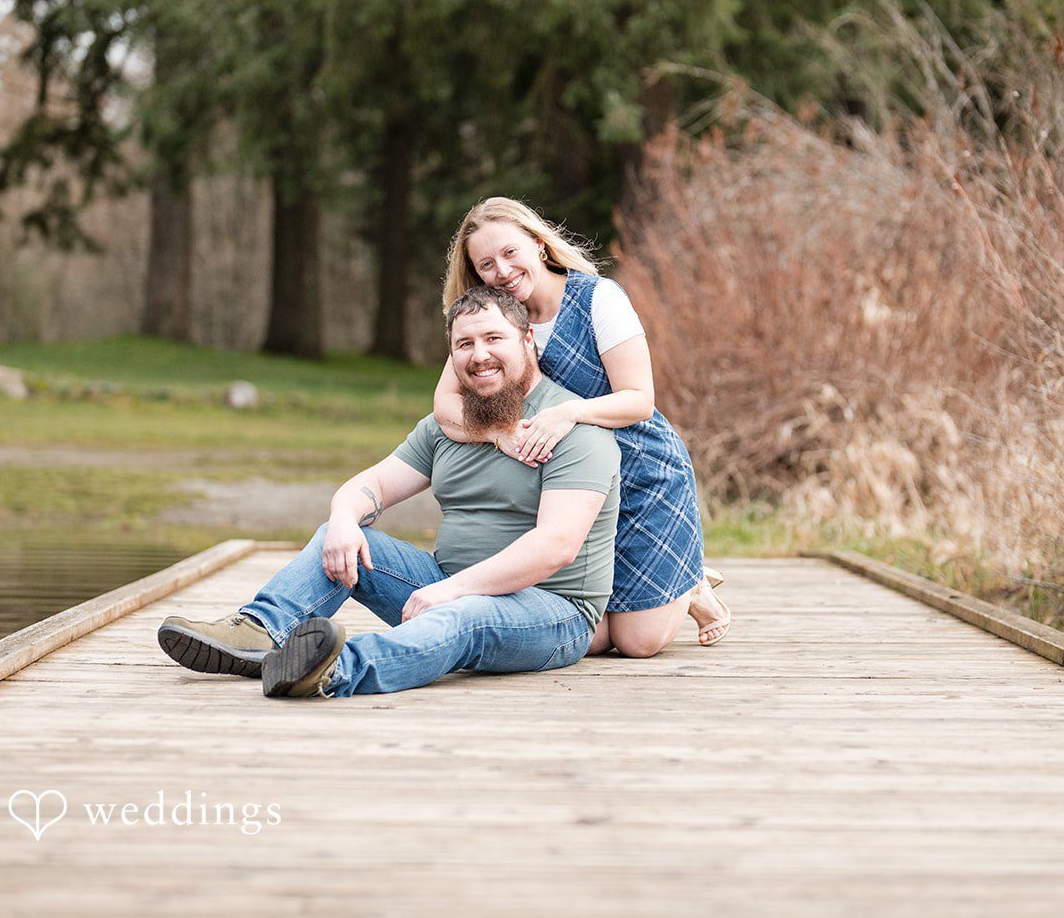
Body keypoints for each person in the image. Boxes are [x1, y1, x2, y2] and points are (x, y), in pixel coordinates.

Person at [156, 286, 621, 698]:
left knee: (465, 616)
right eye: (464, 344)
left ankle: (329, 669)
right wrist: (344, 520)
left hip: (551, 611)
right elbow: (372, 485)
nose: (479, 355)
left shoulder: (572, 427)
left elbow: (555, 546)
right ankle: (261, 632)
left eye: (493, 338)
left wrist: (453, 592)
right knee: (342, 538)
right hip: (445, 585)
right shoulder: (451, 426)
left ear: (527, 340)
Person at [433, 197, 729, 657]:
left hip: (641, 474)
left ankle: (687, 583)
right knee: (585, 629)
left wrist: (567, 413)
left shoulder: (598, 298)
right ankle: (675, 583)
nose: (503, 271)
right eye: (486, 264)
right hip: (572, 488)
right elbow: (444, 405)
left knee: (638, 642)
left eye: (510, 252)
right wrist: (497, 433)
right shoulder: (493, 320)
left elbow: (639, 401)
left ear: (538, 243)